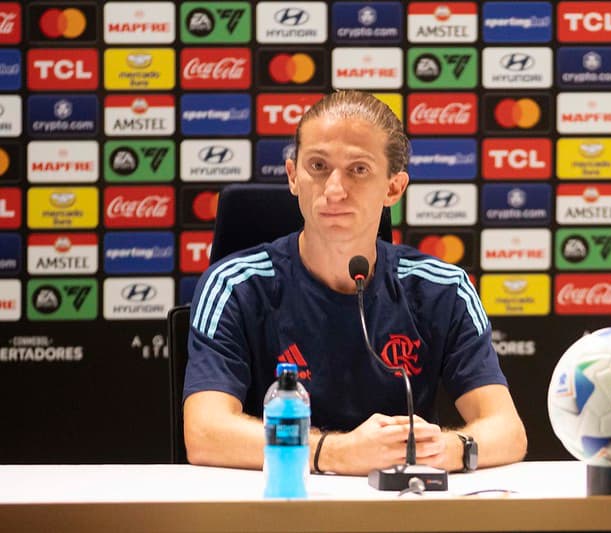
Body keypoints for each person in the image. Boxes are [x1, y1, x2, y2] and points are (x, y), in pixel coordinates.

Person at [184, 90, 527, 475]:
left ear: (393, 188)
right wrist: (337, 452)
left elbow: (507, 430)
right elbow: (204, 431)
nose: (334, 189)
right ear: (293, 176)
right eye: (317, 166)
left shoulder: (444, 288)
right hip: (274, 510)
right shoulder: (234, 284)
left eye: (358, 169)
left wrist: (443, 448)